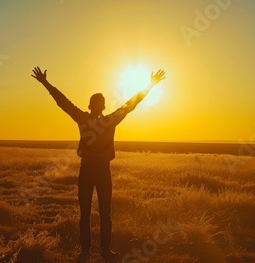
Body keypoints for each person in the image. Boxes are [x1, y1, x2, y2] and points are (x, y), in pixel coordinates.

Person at [30, 66, 165, 262]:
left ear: (99, 106)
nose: (97, 107)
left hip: (99, 171)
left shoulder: (102, 120)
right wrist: (45, 83)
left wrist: (150, 85)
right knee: (90, 213)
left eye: (99, 104)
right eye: (97, 104)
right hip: (90, 171)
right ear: (96, 105)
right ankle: (90, 250)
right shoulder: (97, 119)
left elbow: (130, 104)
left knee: (102, 212)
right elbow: (63, 102)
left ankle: (101, 250)